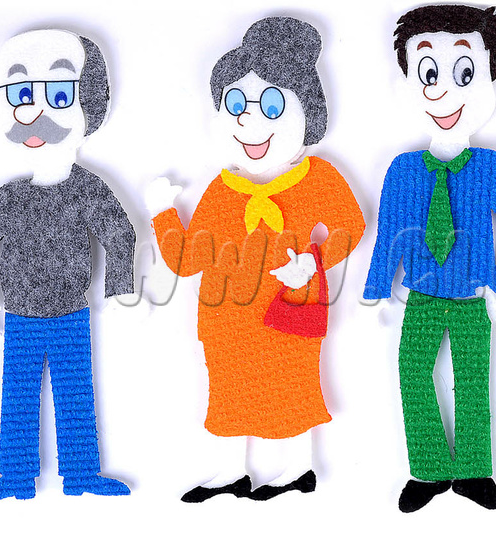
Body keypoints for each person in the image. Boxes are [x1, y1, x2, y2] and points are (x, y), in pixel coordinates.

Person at [146, 16, 365, 502]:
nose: (250, 121)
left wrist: (313, 259)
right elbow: (186, 260)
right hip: (225, 320)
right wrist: (163, 212)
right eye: (236, 105)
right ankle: (231, 472)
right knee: (228, 393)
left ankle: (299, 468)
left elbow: (351, 225)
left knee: (292, 386)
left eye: (270, 106)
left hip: (289, 308)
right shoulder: (222, 190)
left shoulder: (316, 178)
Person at [363, 4, 496, 512]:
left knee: (473, 380)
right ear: (404, 84)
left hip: (474, 296)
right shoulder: (402, 170)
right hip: (419, 294)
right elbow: (389, 234)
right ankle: (428, 467)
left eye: (464, 74)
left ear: (495, 84)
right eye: (427, 74)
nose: (442, 91)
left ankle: (474, 470)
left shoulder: (494, 167)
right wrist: (377, 289)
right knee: (411, 372)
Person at [0, 28, 135, 501]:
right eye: (22, 94)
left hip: (71, 313)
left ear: (88, 105)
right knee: (18, 397)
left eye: (58, 94)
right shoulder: (10, 197)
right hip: (18, 316)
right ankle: (17, 478)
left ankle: (81, 475)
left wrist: (120, 288)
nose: (34, 112)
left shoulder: (85, 189)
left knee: (75, 394)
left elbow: (118, 232)